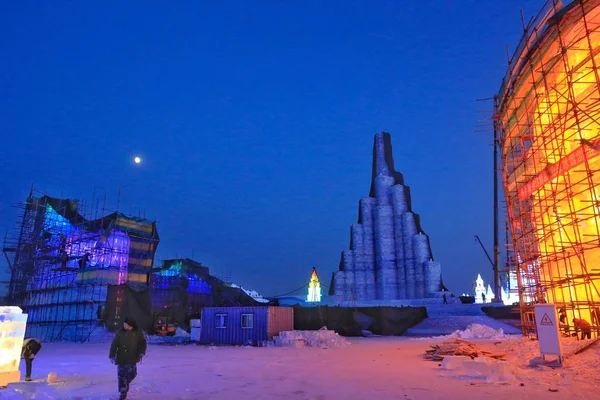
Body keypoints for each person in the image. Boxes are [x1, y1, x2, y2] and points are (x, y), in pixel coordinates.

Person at [109, 317, 147, 400]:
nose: (124, 325)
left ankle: (126, 383)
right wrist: (112, 355)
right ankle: (123, 392)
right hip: (121, 357)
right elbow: (114, 344)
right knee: (121, 375)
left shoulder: (138, 332)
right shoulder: (120, 332)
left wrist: (142, 352)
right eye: (124, 323)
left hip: (132, 357)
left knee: (132, 374)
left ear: (130, 326)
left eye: (125, 324)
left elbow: (143, 343)